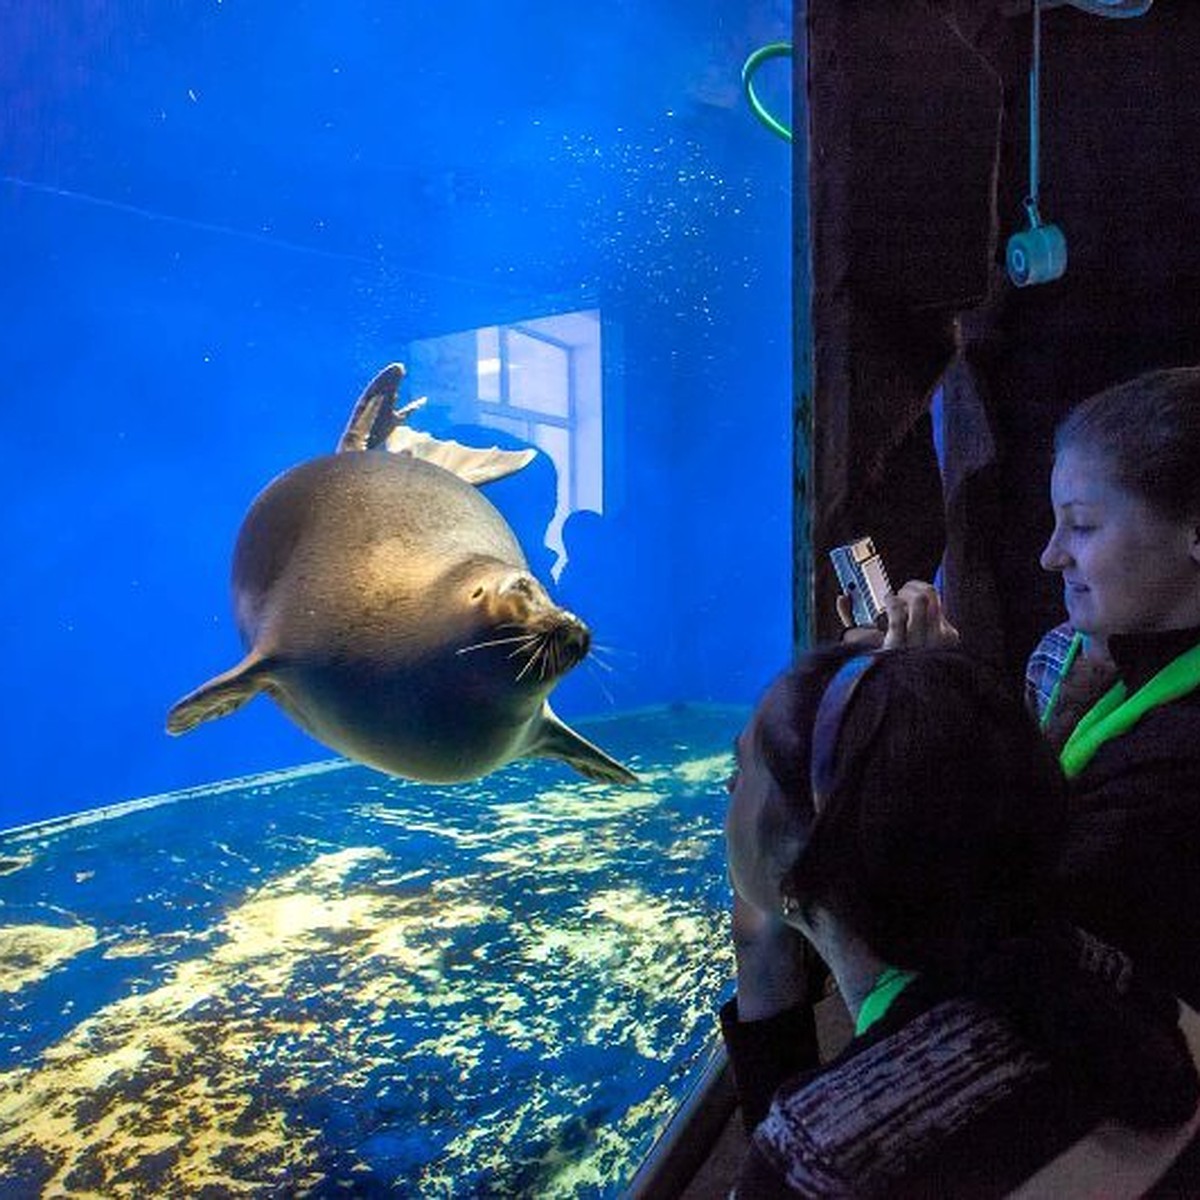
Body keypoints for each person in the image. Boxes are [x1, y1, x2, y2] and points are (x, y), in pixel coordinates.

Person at [722, 644, 1200, 1196]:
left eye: (741, 767)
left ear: (807, 846)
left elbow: (805, 1156)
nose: (730, 788)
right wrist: (768, 942)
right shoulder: (1117, 979)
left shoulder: (825, 1164)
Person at [869, 367, 1200, 1009]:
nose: (1051, 556)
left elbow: (1002, 921)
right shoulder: (1094, 663)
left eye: (1081, 525)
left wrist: (922, 714)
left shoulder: (1174, 759)